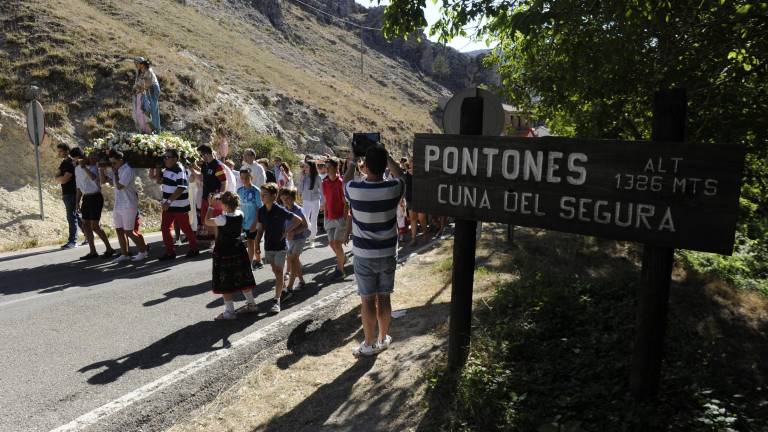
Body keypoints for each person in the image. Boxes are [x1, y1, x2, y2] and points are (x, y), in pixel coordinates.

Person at [343, 144, 405, 357]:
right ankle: (382, 339)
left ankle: (368, 344)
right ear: (384, 164)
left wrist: (352, 161)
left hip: (363, 255)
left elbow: (346, 180)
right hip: (387, 252)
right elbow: (400, 175)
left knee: (368, 300)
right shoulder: (394, 188)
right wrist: (387, 158)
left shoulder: (355, 189)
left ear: (365, 166)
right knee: (384, 297)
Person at [204, 192, 257, 320]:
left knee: (225, 280)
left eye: (221, 202)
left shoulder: (222, 219)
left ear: (226, 205)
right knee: (243, 277)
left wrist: (210, 206)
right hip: (238, 250)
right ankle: (251, 304)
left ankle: (230, 312)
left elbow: (207, 221)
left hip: (224, 252)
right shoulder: (240, 214)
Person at [255, 183, 304, 314]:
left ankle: (276, 300)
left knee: (278, 272)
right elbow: (260, 229)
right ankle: (282, 290)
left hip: (281, 247)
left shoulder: (280, 210)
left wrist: (287, 231)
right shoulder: (261, 211)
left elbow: (298, 220)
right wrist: (256, 245)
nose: (262, 197)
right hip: (268, 247)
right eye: (261, 194)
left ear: (274, 195)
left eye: (265, 194)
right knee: (275, 271)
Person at [151, 149, 200, 260]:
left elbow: (181, 187)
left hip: (179, 205)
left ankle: (194, 248)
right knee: (165, 227)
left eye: (167, 157)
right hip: (168, 204)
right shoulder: (167, 169)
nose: (165, 159)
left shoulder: (180, 169)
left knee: (185, 228)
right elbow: (159, 181)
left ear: (175, 159)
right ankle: (170, 252)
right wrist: (157, 168)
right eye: (165, 157)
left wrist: (168, 201)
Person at [101, 151, 148, 262]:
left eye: (114, 162)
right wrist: (101, 169)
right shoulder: (117, 169)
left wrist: (115, 173)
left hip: (129, 203)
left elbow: (120, 186)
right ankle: (124, 254)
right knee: (119, 230)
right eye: (111, 163)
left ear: (121, 160)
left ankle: (143, 251)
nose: (112, 165)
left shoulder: (127, 170)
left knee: (129, 231)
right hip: (118, 204)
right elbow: (104, 181)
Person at [71, 147, 115, 259]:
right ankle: (93, 251)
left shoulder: (93, 167)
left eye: (76, 159)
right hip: (86, 198)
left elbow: (95, 178)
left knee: (95, 226)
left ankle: (109, 248)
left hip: (95, 197)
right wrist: (77, 203)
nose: (76, 162)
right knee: (86, 225)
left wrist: (84, 167)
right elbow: (78, 188)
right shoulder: (76, 169)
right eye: (74, 160)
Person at [321, 158, 348, 279]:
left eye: (328, 167)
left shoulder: (341, 182)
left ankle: (340, 271)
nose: (326, 169)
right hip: (329, 217)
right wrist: (325, 215)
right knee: (332, 243)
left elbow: (346, 203)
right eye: (325, 167)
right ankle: (343, 258)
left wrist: (345, 219)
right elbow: (326, 200)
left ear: (336, 168)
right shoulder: (324, 183)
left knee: (337, 244)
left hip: (340, 217)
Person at [279, 187, 308, 294]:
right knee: (294, 260)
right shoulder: (284, 209)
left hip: (300, 239)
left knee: (292, 259)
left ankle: (290, 287)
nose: (285, 201)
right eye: (283, 199)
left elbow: (305, 226)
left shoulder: (298, 210)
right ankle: (301, 281)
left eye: (287, 199)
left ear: (292, 198)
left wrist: (294, 232)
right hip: (290, 240)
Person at [55, 143, 83, 249]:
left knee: (71, 217)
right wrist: (60, 179)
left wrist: (60, 179)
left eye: (60, 151)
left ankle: (73, 241)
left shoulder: (71, 163)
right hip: (66, 193)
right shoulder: (64, 163)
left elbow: (65, 178)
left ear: (66, 150)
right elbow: (57, 176)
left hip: (72, 193)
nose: (58, 153)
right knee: (75, 216)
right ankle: (89, 236)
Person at [196, 145, 228, 237]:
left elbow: (224, 182)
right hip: (205, 197)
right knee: (205, 220)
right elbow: (201, 178)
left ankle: (217, 244)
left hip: (214, 199)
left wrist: (219, 196)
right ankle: (214, 242)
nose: (201, 157)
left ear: (207, 154)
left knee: (215, 222)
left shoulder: (217, 166)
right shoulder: (204, 165)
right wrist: (191, 168)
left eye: (202, 155)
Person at [237, 167, 264, 269]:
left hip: (254, 222)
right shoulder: (239, 190)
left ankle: (249, 264)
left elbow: (259, 209)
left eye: (246, 177)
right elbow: (238, 206)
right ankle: (258, 259)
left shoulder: (256, 191)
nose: (244, 180)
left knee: (252, 242)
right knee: (251, 243)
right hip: (244, 221)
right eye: (242, 178)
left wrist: (255, 223)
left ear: (251, 177)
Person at [133, 57, 161, 132]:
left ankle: (156, 130)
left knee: (153, 109)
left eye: (136, 63)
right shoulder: (140, 71)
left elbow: (146, 83)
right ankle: (148, 129)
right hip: (147, 90)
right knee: (146, 109)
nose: (135, 65)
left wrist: (138, 89)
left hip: (152, 90)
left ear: (141, 64)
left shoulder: (148, 71)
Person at [298, 160, 321, 246]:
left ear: (312, 167)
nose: (305, 168)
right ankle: (314, 230)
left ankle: (312, 238)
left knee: (314, 220)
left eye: (307, 166)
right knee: (305, 219)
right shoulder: (303, 176)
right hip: (306, 200)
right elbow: (300, 190)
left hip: (315, 201)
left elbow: (322, 190)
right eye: (304, 166)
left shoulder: (317, 177)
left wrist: (323, 202)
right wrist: (301, 180)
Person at [404, 163, 427, 246]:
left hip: (420, 198)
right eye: (411, 162)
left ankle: (425, 234)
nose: (411, 164)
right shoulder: (407, 174)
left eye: (413, 162)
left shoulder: (422, 172)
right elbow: (405, 186)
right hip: (410, 199)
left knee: (421, 218)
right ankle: (414, 239)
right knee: (413, 219)